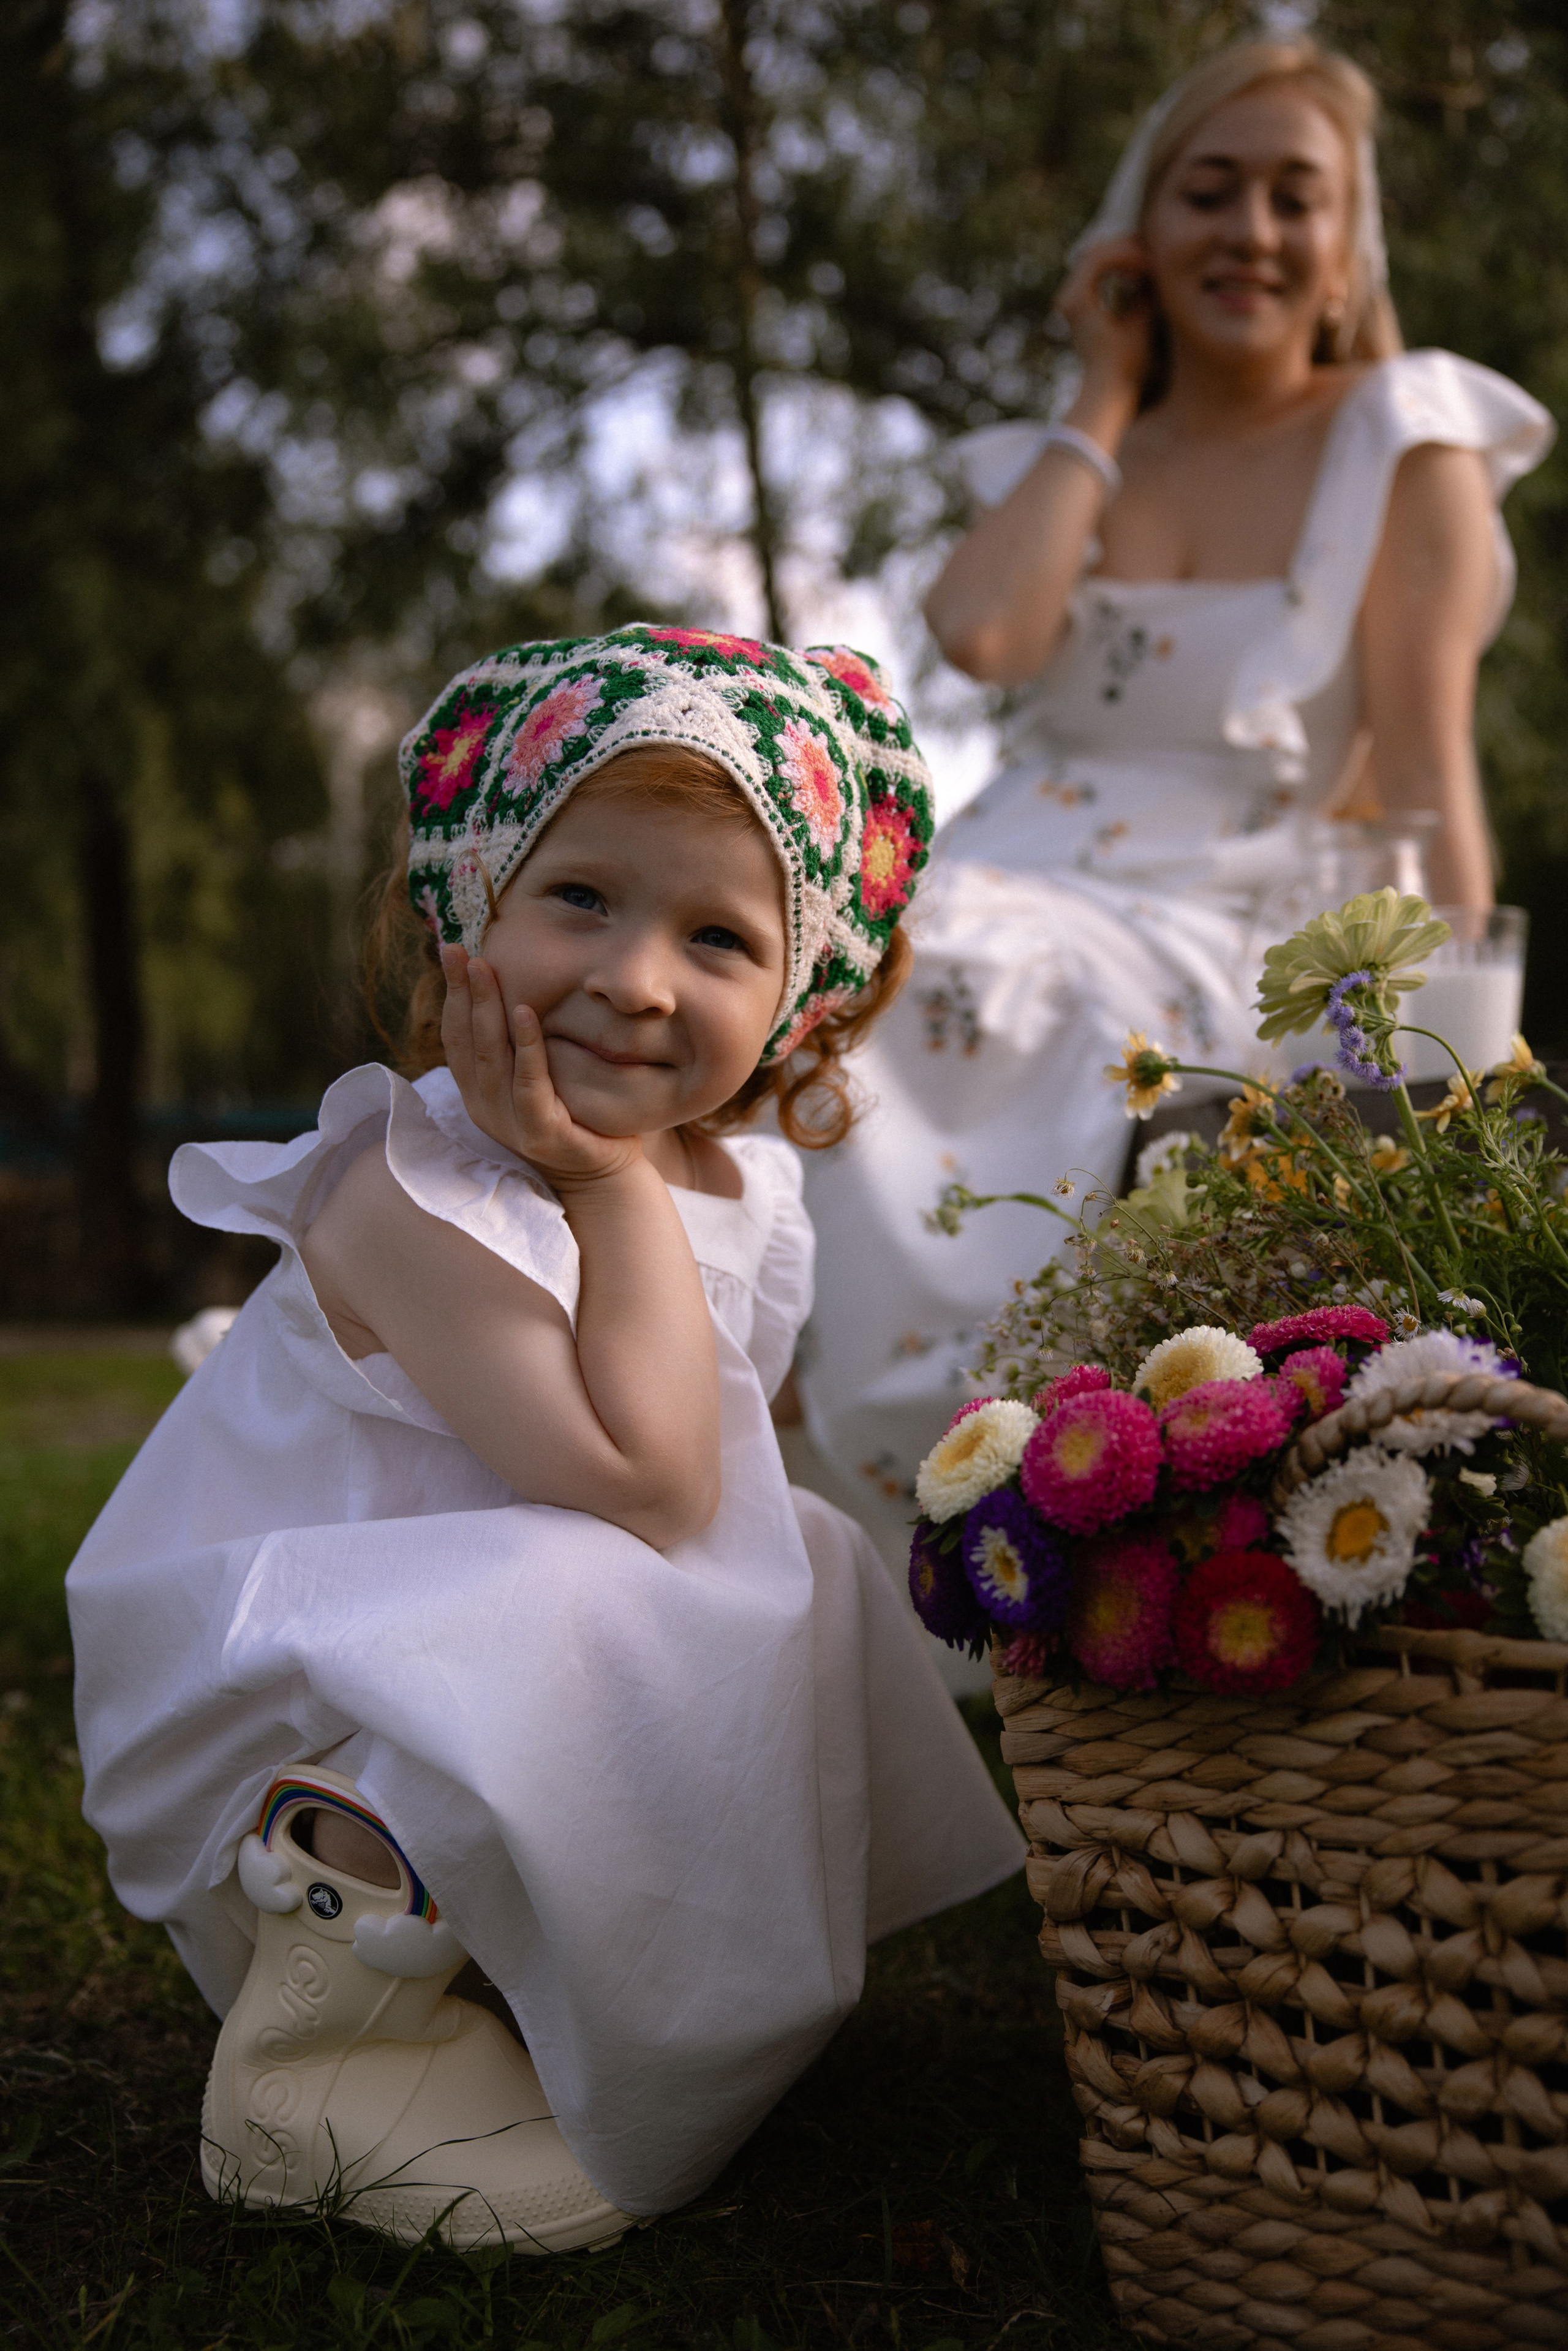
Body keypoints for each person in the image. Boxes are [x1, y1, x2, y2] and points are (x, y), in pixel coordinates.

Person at [66, 626, 1024, 2252]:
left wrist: (624, 1185)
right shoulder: (412, 1186)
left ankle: (578, 1967)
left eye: (717, 936)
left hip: (479, 1646)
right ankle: (312, 2061)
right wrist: (600, 1181)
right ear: (469, 915)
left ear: (796, 1004)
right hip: (297, 1691)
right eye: (581, 896)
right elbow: (641, 1481)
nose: (637, 977)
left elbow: (717, 1453)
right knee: (599, 1579)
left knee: (788, 1555)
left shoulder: (729, 1177)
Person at [796, 38, 1554, 1596]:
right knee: (829, 962)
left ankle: (1000, 1533)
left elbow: (1423, 762)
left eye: (1294, 197)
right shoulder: (1086, 453)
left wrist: (1463, 1046)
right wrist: (1098, 386)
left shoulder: (1399, 438)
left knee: (995, 990)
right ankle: (803, 1536)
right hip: (1015, 854)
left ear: (1348, 245)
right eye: (1207, 191)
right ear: (1138, 228)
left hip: (1238, 884)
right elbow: (984, 634)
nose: (1250, 231)